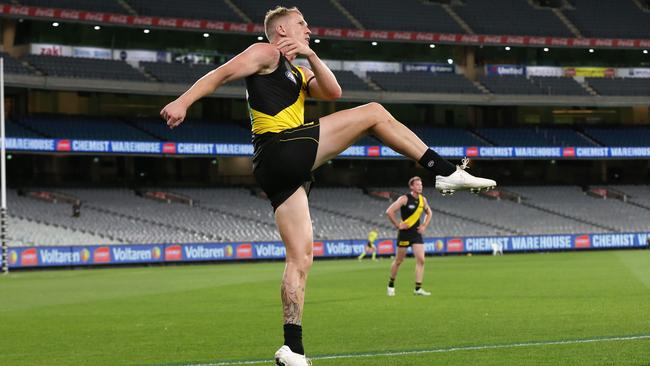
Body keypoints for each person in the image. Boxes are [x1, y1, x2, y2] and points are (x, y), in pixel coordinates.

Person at [160, 6, 496, 365]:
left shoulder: (297, 69)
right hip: (281, 146)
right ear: (281, 30)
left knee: (300, 258)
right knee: (374, 112)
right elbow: (221, 73)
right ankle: (444, 170)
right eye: (301, 25)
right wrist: (183, 101)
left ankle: (293, 348)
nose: (308, 29)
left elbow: (333, 92)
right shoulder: (266, 51)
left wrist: (311, 54)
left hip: (278, 168)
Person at [385, 177, 433, 297]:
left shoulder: (423, 200)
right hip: (405, 234)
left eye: (421, 184)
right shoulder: (404, 199)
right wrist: (398, 225)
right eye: (417, 185)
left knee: (421, 260)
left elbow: (429, 213)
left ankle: (418, 288)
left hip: (416, 233)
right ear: (412, 187)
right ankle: (391, 285)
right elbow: (389, 211)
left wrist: (424, 225)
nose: (420, 186)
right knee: (399, 261)